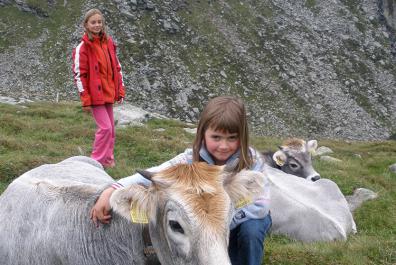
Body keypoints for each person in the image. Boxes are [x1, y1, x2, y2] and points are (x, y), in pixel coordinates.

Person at [90, 96, 271, 265]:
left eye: (232, 138)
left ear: (242, 137)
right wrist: (112, 189)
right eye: (216, 137)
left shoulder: (252, 161)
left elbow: (260, 205)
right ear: (203, 134)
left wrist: (221, 222)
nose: (224, 146)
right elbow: (157, 173)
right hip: (207, 219)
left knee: (250, 234)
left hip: (248, 215)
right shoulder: (191, 157)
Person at [72, 8, 125, 168]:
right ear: (86, 25)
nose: (97, 25)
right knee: (105, 128)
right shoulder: (83, 47)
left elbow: (117, 67)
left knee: (111, 130)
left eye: (99, 22)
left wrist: (120, 90)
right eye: (93, 22)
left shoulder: (108, 43)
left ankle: (108, 160)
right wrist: (86, 100)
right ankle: (95, 162)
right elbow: (79, 75)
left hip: (109, 93)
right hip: (95, 96)